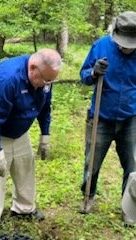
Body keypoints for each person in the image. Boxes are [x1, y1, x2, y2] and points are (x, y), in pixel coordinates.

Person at [0, 48, 62, 240]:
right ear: (32, 68)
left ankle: (23, 208)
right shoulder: (7, 78)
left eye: (51, 81)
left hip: (19, 132)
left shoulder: (45, 78)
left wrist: (45, 135)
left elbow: (45, 107)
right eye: (45, 80)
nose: (48, 84)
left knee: (25, 168)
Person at [79, 10, 136, 221]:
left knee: (132, 166)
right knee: (91, 161)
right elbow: (83, 77)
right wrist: (93, 72)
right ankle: (88, 196)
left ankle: (130, 206)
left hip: (131, 117)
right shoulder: (101, 46)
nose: (127, 48)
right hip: (101, 116)